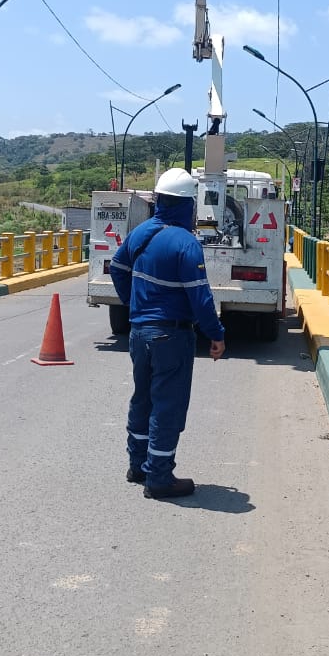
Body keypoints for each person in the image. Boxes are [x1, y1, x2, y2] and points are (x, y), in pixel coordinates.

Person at [110, 168, 225, 498]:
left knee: (142, 399)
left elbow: (117, 268)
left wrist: (134, 304)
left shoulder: (141, 233)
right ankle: (159, 477)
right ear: (188, 205)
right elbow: (200, 298)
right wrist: (216, 334)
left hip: (140, 333)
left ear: (159, 200)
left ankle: (138, 466)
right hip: (171, 337)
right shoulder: (186, 243)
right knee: (167, 405)